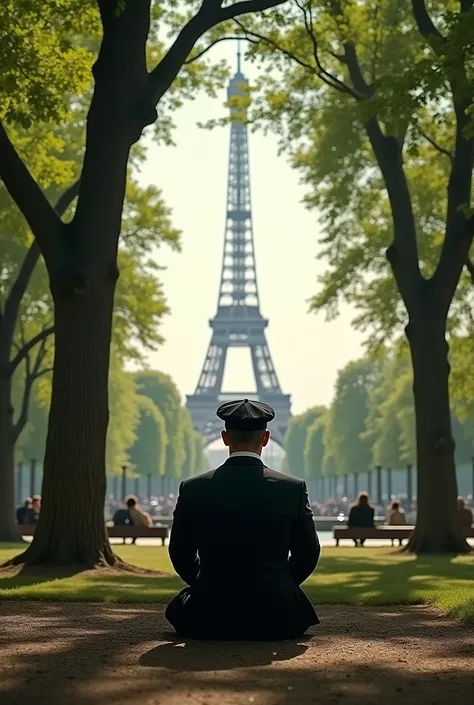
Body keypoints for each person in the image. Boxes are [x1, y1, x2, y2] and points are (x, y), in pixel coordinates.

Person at [166, 399, 321, 641]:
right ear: (266, 438)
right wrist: (278, 582)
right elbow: (308, 554)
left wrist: (209, 583)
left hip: (210, 613)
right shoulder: (293, 489)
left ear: (225, 437)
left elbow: (180, 553)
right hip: (276, 614)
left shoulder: (193, 488)